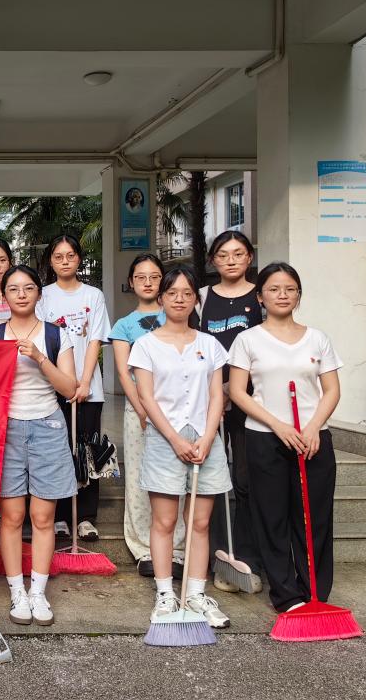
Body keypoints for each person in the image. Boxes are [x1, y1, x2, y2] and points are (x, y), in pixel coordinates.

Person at [228, 263, 342, 613]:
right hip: (265, 438)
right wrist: (278, 425)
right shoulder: (248, 340)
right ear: (260, 297)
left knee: (314, 517)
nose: (282, 295)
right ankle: (287, 595)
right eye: (274, 289)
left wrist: (313, 427)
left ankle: (315, 593)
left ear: (298, 295)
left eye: (290, 289)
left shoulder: (317, 338)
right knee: (272, 517)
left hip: (313, 440)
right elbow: (238, 392)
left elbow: (331, 390)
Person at [127, 266, 232, 629]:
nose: (180, 299)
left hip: (205, 439)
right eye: (172, 293)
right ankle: (165, 594)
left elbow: (218, 396)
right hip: (164, 440)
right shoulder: (146, 345)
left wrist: (207, 437)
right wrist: (174, 438)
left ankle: (196, 594)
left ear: (195, 300)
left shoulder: (210, 344)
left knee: (199, 522)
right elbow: (146, 397)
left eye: (188, 294)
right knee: (165, 521)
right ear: (161, 299)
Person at [0, 264, 77, 627]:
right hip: (5, 431)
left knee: (43, 517)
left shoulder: (56, 335)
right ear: (3, 296)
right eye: (13, 289)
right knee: (11, 516)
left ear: (39, 293)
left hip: (48, 426)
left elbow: (69, 388)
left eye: (28, 288)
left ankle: (38, 591)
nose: (21, 294)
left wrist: (38, 357)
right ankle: (16, 591)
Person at [194, 230, 263, 593]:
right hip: (210, 404)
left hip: (254, 402)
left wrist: (234, 390)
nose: (231, 260)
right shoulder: (203, 297)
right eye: (223, 255)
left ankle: (248, 557)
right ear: (213, 260)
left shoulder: (261, 295)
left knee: (247, 479)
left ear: (249, 257)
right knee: (214, 481)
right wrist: (215, 393)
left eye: (238, 253)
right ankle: (220, 558)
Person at [108, 253, 186, 578]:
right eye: (141, 277)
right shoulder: (123, 325)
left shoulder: (178, 315)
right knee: (140, 477)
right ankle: (143, 549)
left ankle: (177, 549)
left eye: (154, 276)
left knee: (177, 478)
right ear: (131, 282)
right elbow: (124, 373)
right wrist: (141, 408)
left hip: (177, 409)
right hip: (138, 409)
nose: (148, 282)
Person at [34, 234, 111, 542]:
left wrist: (85, 381)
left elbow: (95, 340)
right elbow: (42, 339)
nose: (65, 261)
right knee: (58, 450)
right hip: (53, 386)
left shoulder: (94, 295)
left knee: (88, 450)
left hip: (89, 389)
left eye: (70, 256)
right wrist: (63, 382)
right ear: (51, 261)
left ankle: (86, 517)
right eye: (58, 256)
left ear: (79, 258)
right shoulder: (43, 296)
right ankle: (61, 516)